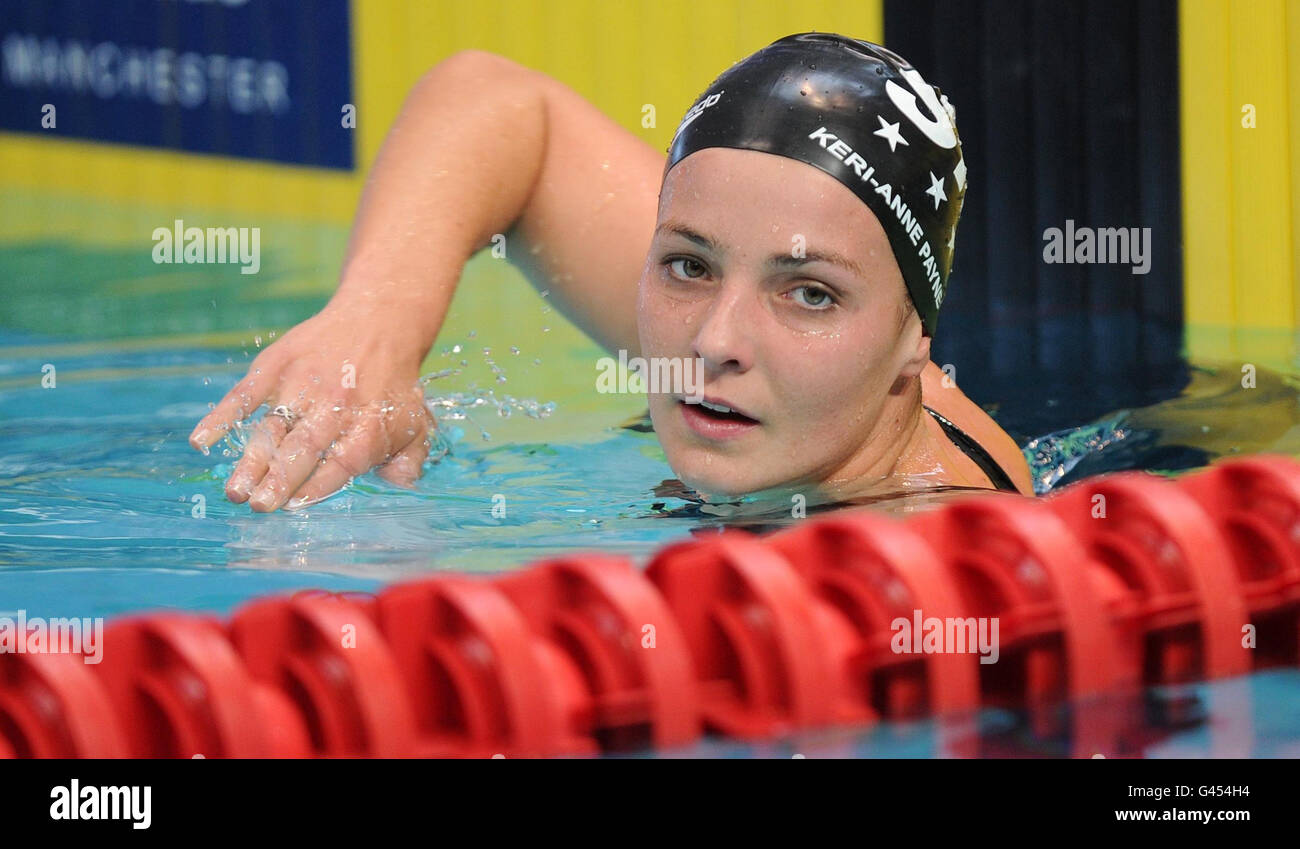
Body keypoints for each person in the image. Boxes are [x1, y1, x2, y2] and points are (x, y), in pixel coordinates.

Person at [188, 32, 1035, 513]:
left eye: (810, 293)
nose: (713, 339)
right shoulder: (784, 378)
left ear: (911, 345)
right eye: (688, 265)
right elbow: (498, 104)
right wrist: (376, 323)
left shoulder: (928, 579)